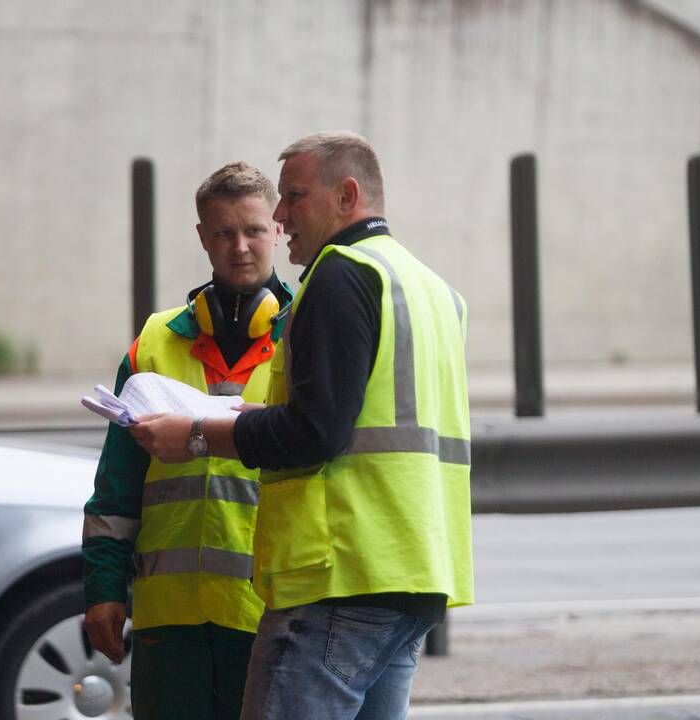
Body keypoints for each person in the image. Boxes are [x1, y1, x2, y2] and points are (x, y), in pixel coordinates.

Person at [129, 131, 473, 720]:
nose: (281, 215)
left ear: (347, 195)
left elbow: (318, 433)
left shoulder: (339, 273)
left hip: (339, 576)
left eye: (293, 196)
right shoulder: (430, 286)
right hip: (416, 570)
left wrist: (196, 434)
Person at [82, 161, 293, 720]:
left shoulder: (308, 335)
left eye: (253, 230)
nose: (240, 246)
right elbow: (117, 484)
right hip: (167, 621)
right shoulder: (154, 342)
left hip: (268, 613)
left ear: (277, 228)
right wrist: (103, 587)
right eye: (224, 232)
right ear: (203, 237)